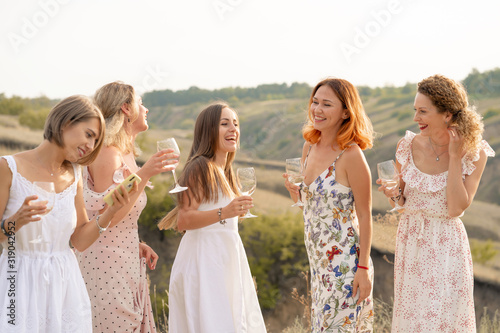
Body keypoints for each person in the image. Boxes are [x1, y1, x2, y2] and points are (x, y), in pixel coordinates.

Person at [0, 95, 135, 332]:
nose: (91, 147)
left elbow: (80, 240)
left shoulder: (75, 175)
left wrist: (110, 210)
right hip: (19, 280)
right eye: (89, 135)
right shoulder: (7, 168)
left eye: (96, 141)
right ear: (65, 123)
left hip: (65, 285)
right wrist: (14, 222)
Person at [378, 74, 495, 332]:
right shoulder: (406, 145)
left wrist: (455, 157)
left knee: (443, 318)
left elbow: (455, 209)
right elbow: (402, 201)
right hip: (411, 240)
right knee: (414, 319)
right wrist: (393, 194)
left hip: (446, 244)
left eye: (423, 111)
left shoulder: (475, 154)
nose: (415, 118)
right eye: (415, 110)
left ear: (447, 114)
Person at [75, 81, 178, 332]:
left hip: (126, 260)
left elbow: (120, 216)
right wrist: (146, 173)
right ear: (126, 108)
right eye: (140, 103)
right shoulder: (107, 152)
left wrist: (136, 242)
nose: (146, 109)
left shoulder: (124, 152)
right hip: (105, 267)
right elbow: (108, 213)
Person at [158, 102, 267, 333]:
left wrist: (233, 213)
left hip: (224, 259)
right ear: (208, 130)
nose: (233, 129)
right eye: (224, 123)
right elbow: (184, 220)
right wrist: (225, 212)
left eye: (236, 124)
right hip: (204, 263)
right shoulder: (200, 166)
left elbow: (219, 220)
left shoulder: (224, 170)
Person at [284, 78, 375, 332]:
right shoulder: (308, 147)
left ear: (346, 112)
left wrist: (364, 268)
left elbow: (366, 217)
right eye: (315, 102)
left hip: (346, 264)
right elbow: (312, 208)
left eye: (326, 104)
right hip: (318, 263)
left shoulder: (351, 155)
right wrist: (296, 194)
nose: (317, 110)